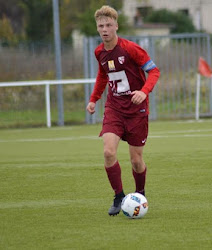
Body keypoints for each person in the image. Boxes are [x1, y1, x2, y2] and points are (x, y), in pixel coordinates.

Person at [86, 5, 160, 216]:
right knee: (108, 152)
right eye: (101, 26)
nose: (105, 29)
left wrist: (144, 92)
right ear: (97, 29)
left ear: (116, 26)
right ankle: (119, 196)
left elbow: (154, 71)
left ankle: (140, 195)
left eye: (109, 25)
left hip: (136, 110)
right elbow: (103, 76)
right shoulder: (99, 51)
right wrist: (94, 99)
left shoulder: (131, 49)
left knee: (136, 161)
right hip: (114, 108)